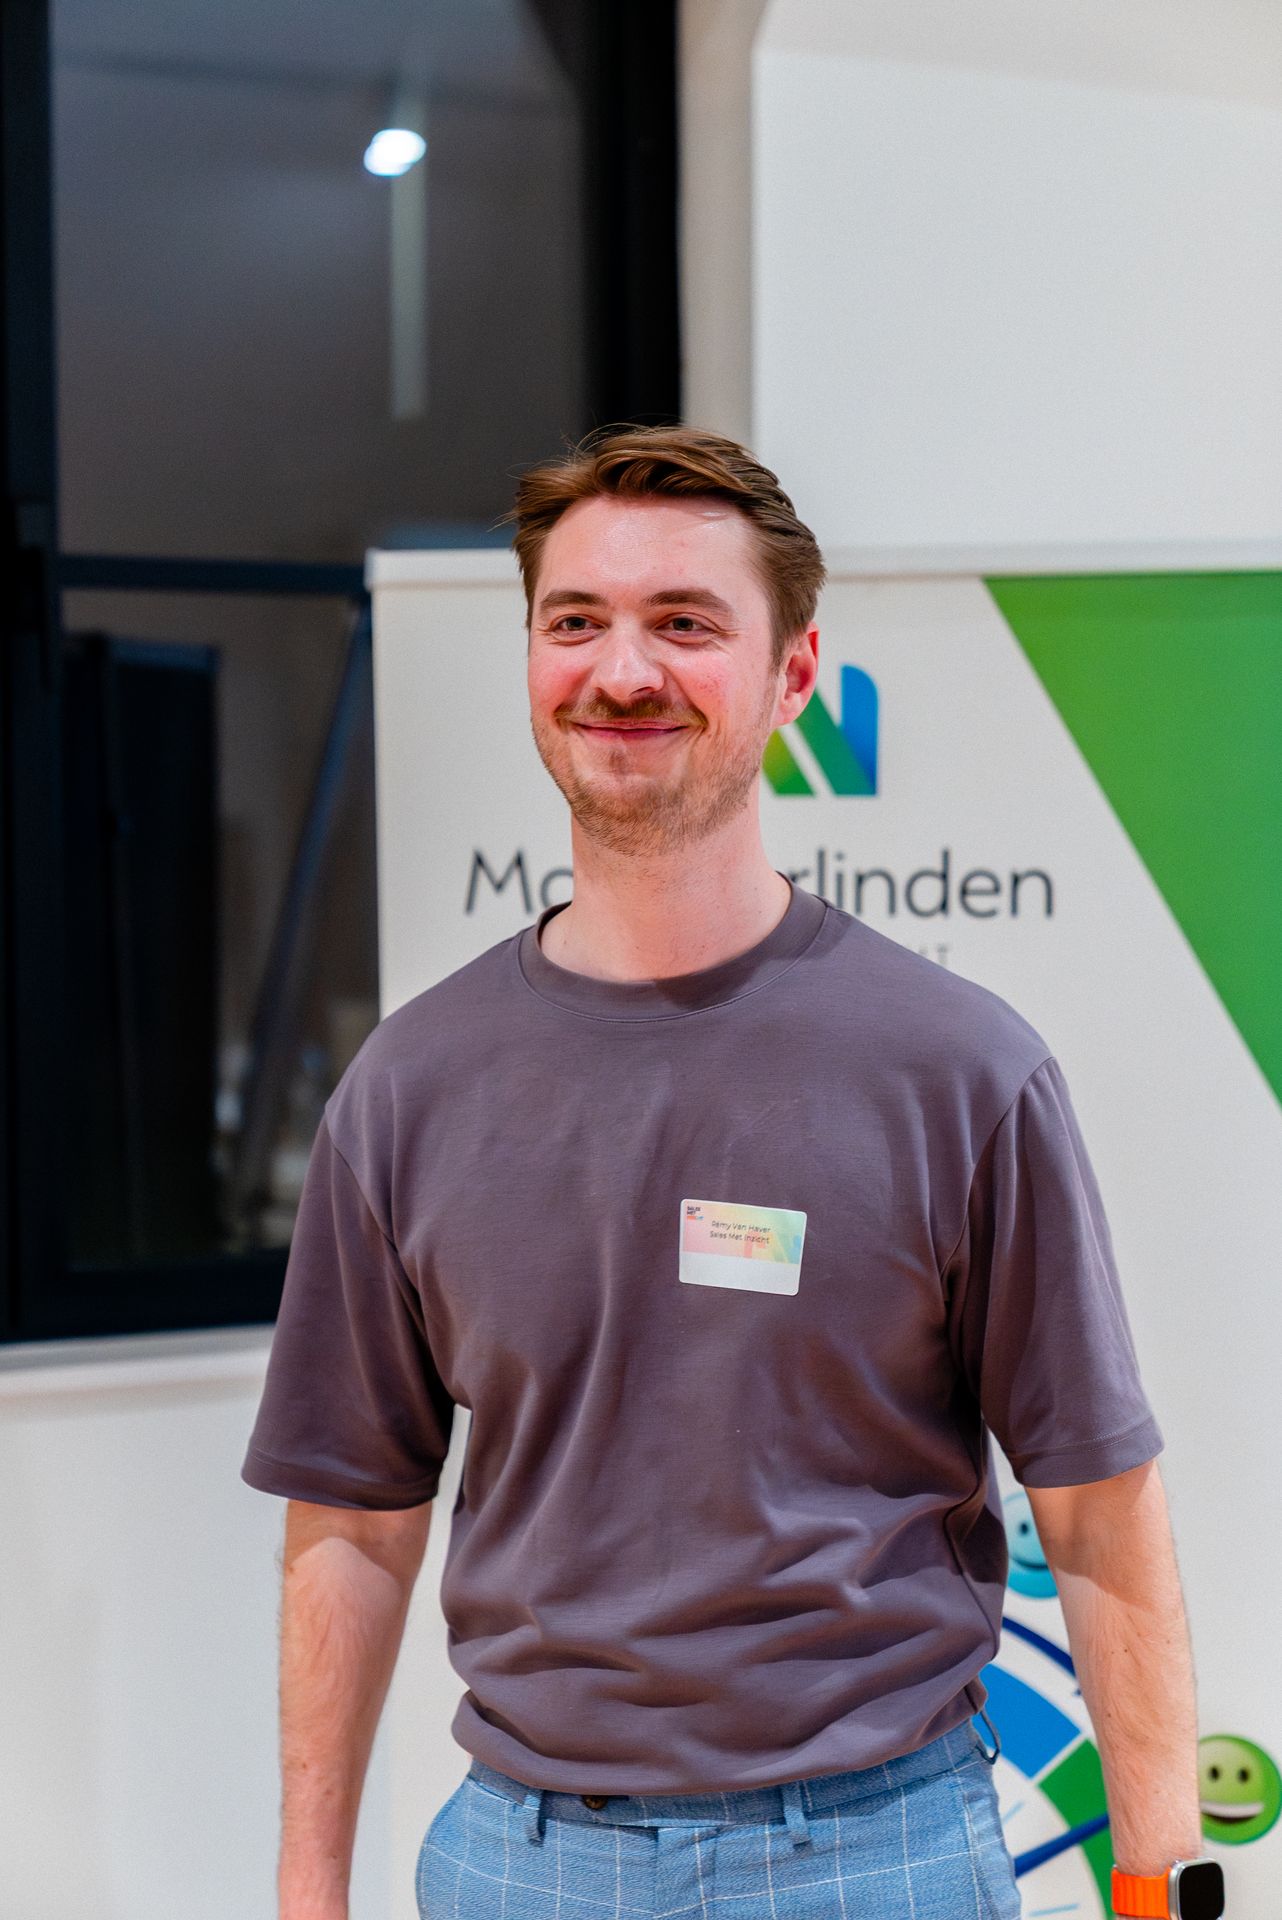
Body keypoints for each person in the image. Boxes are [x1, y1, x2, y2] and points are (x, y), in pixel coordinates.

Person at [242, 425, 1218, 1920]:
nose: (621, 671)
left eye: (685, 624)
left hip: (879, 1860)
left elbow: (1096, 1507)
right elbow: (355, 1524)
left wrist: (1159, 1886)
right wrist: (306, 1893)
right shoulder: (409, 1089)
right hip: (524, 1865)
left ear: (793, 676)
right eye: (576, 621)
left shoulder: (958, 1069)